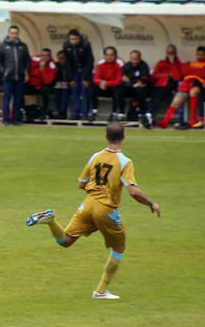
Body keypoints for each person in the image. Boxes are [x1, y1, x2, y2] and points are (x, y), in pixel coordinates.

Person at [26, 122, 160, 300]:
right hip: (106, 209)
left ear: (106, 137)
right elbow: (133, 191)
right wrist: (151, 203)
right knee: (119, 246)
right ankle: (101, 291)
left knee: (66, 241)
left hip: (87, 205)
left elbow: (81, 184)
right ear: (124, 138)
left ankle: (50, 220)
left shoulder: (95, 157)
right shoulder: (125, 162)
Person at [156, 46, 205, 129]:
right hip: (186, 84)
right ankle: (165, 122)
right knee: (176, 100)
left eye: (202, 55)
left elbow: (203, 73)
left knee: (193, 92)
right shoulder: (189, 63)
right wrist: (195, 71)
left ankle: (192, 120)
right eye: (199, 54)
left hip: (198, 83)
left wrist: (191, 71)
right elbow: (181, 74)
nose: (200, 56)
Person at [0, 25, 30, 126]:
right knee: (7, 99)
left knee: (18, 99)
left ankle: (15, 119)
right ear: (8, 33)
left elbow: (27, 60)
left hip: (19, 77)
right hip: (8, 78)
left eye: (16, 33)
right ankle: (5, 119)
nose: (14, 35)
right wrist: (3, 71)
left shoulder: (23, 46)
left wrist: (26, 71)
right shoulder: (2, 46)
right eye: (12, 33)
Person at [62, 29, 95, 120]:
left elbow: (89, 61)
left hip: (84, 71)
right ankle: (75, 113)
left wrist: (86, 78)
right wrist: (70, 79)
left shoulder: (86, 45)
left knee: (85, 92)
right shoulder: (66, 45)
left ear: (79, 38)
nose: (74, 41)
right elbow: (67, 63)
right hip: (74, 72)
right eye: (72, 39)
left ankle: (85, 114)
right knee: (74, 91)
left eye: (75, 39)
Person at [147, 44, 181, 125]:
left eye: (172, 53)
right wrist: (167, 75)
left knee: (162, 94)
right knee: (156, 97)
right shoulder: (161, 63)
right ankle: (149, 115)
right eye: (168, 53)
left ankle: (149, 115)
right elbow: (154, 75)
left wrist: (172, 63)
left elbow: (177, 77)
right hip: (159, 87)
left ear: (175, 53)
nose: (170, 55)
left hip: (170, 88)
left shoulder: (178, 64)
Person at [88, 46, 124, 122]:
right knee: (92, 87)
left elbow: (118, 80)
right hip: (103, 87)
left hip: (112, 87)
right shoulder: (100, 63)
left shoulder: (119, 63)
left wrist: (107, 83)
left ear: (115, 56)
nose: (109, 57)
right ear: (105, 56)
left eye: (111, 55)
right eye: (107, 55)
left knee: (118, 89)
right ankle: (94, 111)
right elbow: (95, 78)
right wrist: (101, 82)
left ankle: (114, 113)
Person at [24, 47, 56, 122]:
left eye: (47, 56)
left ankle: (43, 114)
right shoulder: (34, 59)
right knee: (20, 89)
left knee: (45, 91)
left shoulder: (52, 65)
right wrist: (26, 73)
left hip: (42, 85)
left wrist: (42, 69)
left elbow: (47, 81)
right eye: (43, 55)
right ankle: (26, 113)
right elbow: (27, 64)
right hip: (32, 83)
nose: (44, 57)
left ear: (50, 56)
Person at [120, 50, 151, 126]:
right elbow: (123, 81)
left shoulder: (144, 65)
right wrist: (133, 84)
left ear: (139, 58)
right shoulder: (127, 66)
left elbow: (143, 81)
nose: (134, 61)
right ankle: (121, 114)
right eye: (132, 59)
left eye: (136, 59)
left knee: (139, 90)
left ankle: (142, 114)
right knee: (119, 90)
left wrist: (130, 82)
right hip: (130, 88)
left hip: (141, 89)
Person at [52, 50, 71, 119]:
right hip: (58, 86)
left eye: (63, 58)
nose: (61, 60)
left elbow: (72, 78)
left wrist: (67, 82)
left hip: (68, 86)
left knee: (65, 91)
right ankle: (59, 111)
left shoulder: (70, 66)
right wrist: (57, 82)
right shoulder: (56, 66)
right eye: (59, 58)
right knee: (57, 90)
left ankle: (63, 112)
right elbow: (53, 77)